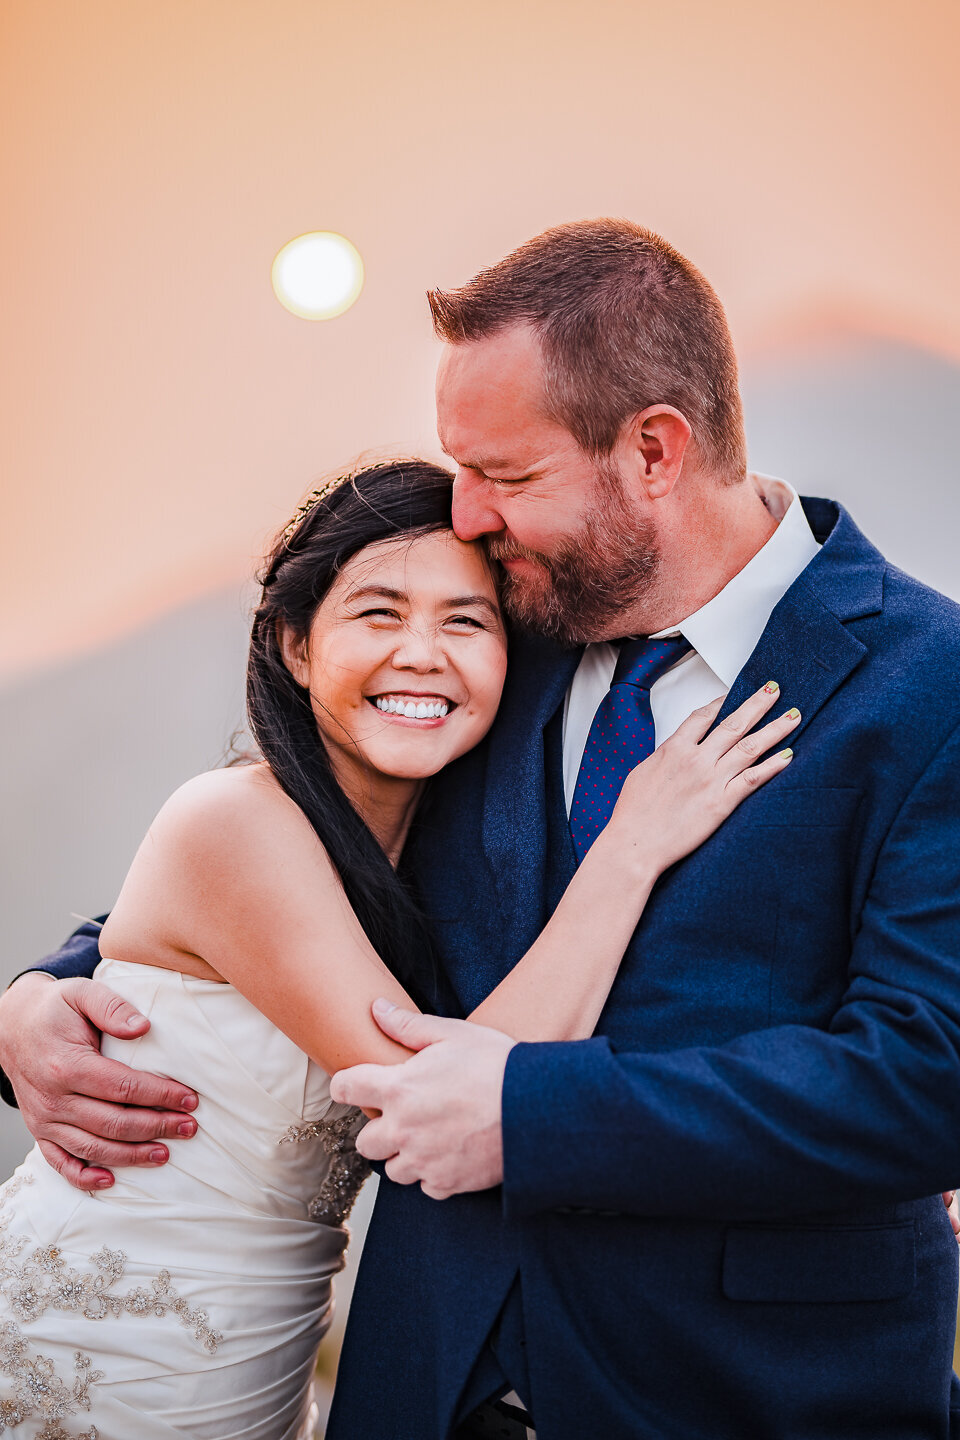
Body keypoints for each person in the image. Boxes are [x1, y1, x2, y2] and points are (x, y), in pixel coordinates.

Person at [3, 220, 960, 1440]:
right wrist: (54, 988)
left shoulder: (930, 681)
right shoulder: (500, 637)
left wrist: (530, 1111)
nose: (469, 515)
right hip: (425, 1379)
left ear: (654, 452)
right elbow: (321, 855)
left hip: (742, 1389)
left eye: (505, 477)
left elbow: (931, 1071)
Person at [0, 458, 793, 1439]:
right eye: (378, 613)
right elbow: (437, 1098)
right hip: (95, 1352)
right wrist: (631, 849)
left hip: (256, 1375)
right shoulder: (231, 823)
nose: (421, 653)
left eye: (465, 621)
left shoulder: (438, 851)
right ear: (295, 645)